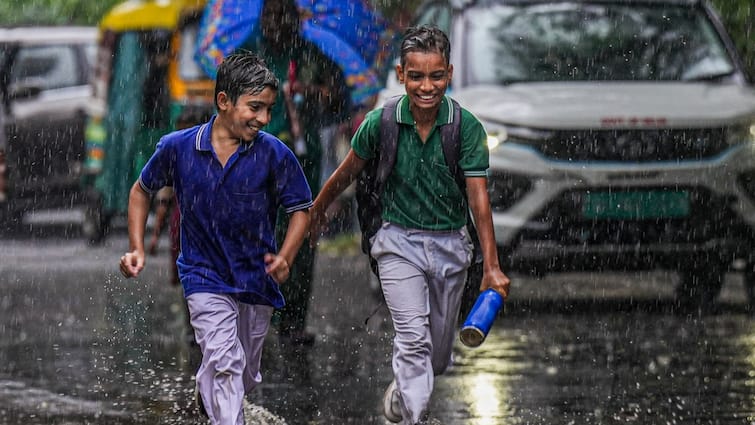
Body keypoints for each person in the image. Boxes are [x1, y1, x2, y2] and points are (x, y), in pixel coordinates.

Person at [310, 26, 511, 424]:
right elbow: (345, 173)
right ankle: (415, 417)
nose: (426, 86)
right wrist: (315, 212)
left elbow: (479, 199)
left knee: (436, 357)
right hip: (397, 243)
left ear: (449, 74)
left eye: (436, 76)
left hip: (451, 246)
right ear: (401, 75)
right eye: (416, 76)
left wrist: (491, 265)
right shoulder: (381, 122)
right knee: (413, 341)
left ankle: (404, 398)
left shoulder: (464, 127)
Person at [119, 52, 312, 424]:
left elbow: (300, 209)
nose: (264, 119)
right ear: (223, 101)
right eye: (255, 107)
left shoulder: (274, 154)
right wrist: (137, 247)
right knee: (227, 363)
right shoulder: (178, 148)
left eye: (269, 109)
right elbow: (141, 190)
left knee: (244, 375)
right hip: (203, 275)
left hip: (257, 279)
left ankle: (207, 385)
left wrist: (286, 255)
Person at [245, 0, 347, 345]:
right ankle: (253, 315)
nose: (276, 23)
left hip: (302, 161)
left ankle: (292, 320)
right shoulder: (248, 54)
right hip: (254, 159)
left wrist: (310, 93)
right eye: (269, 16)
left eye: (282, 16)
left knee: (299, 236)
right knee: (254, 235)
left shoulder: (310, 55)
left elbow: (338, 97)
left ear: (295, 20)